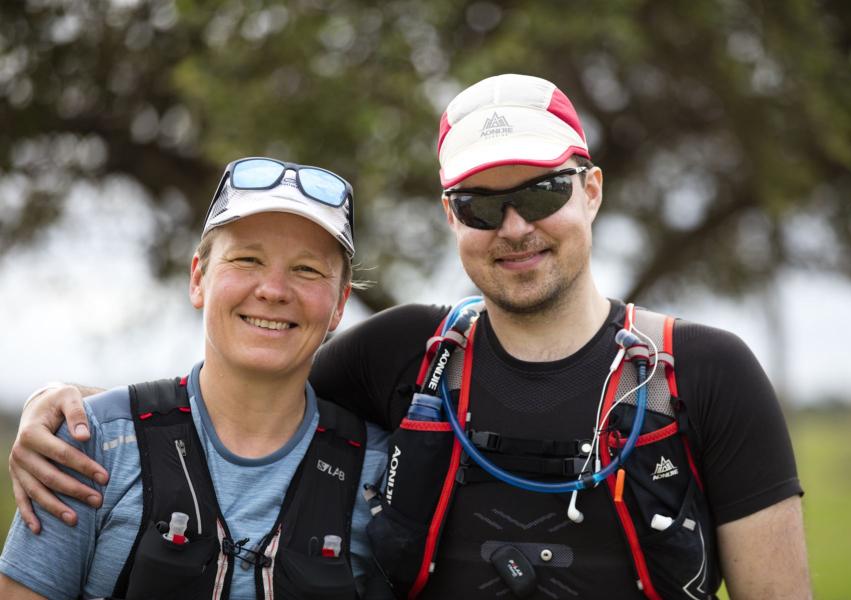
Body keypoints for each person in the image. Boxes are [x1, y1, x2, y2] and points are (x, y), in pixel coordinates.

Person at [9, 75, 810, 599]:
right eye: (480, 205)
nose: (515, 226)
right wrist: (75, 408)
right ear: (449, 217)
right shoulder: (406, 357)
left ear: (591, 190)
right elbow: (246, 379)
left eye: (541, 190)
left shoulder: (704, 374)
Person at [0, 157, 389, 599]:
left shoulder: (381, 473)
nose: (273, 290)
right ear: (198, 278)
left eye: (307, 269)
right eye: (247, 259)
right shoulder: (93, 448)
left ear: (339, 302)